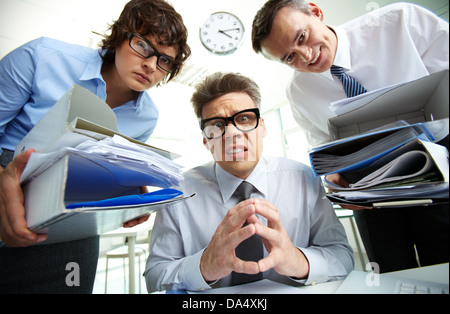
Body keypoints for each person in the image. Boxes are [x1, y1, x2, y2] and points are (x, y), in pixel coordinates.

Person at [0, 0, 190, 293]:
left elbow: (107, 165)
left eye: (165, 60)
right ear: (120, 35)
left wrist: (128, 195)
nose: (151, 65)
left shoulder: (147, 117)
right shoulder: (42, 57)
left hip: (73, 226)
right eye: (143, 46)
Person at [252, 0, 449, 273]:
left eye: (302, 37)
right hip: (366, 189)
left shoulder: (401, 21)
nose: (306, 57)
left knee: (443, 259)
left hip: (436, 168)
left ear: (316, 12)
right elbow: (323, 146)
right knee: (389, 270)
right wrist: (332, 176)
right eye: (289, 58)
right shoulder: (299, 91)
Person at [145, 72, 353, 292]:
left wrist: (298, 261)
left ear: (262, 126)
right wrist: (203, 267)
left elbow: (343, 257)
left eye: (244, 118)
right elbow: (155, 276)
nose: (232, 133)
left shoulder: (304, 179)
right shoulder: (178, 193)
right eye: (216, 125)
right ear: (206, 141)